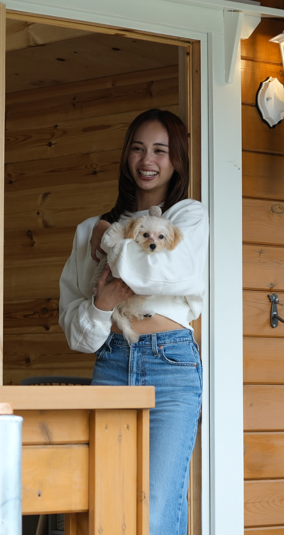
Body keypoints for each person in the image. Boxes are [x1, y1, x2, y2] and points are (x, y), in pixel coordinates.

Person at [59, 108, 208, 535]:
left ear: (176, 161)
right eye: (139, 149)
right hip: (111, 359)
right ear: (127, 157)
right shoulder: (88, 227)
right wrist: (101, 307)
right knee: (108, 507)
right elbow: (76, 330)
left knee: (158, 510)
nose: (148, 160)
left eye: (161, 150)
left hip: (171, 366)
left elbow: (159, 272)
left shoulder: (188, 219)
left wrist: (110, 241)